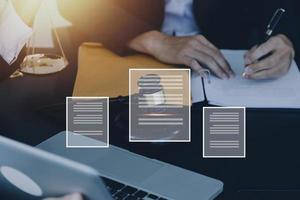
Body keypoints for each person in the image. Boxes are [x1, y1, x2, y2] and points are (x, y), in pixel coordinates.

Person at [60, 0, 298, 80]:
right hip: (123, 49)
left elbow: (286, 8)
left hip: (224, 64)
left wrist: (287, 39)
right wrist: (154, 41)